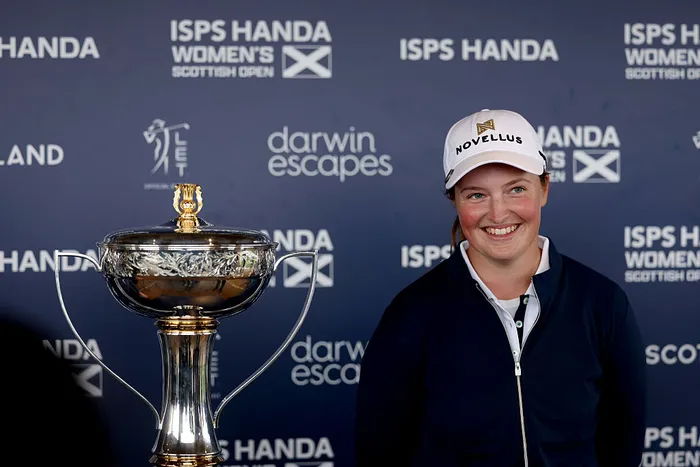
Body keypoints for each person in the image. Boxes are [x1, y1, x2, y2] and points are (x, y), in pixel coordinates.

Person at [354, 109, 647, 466]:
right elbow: (379, 451)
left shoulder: (602, 304)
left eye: (516, 189)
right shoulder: (411, 315)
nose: (498, 213)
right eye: (476, 195)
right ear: (455, 200)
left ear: (544, 188)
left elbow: (623, 445)